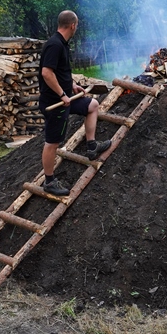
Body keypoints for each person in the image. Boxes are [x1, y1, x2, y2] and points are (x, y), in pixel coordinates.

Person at [38, 10, 111, 196]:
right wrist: (62, 94)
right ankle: (49, 181)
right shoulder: (54, 45)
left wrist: (73, 85)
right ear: (73, 25)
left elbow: (60, 71)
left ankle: (92, 146)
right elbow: (47, 73)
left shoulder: (61, 44)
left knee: (92, 106)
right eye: (76, 25)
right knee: (52, 142)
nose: (76, 28)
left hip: (66, 99)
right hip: (55, 103)